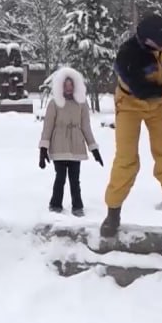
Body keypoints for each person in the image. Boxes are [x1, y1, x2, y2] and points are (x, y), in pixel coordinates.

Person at [100, 13, 162, 236]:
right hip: (130, 103)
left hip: (160, 104)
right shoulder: (128, 55)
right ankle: (112, 214)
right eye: (159, 41)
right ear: (146, 40)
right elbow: (142, 91)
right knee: (126, 159)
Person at [39, 66, 104, 216]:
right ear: (60, 86)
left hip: (76, 145)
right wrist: (43, 150)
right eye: (65, 85)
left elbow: (86, 127)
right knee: (60, 177)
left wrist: (94, 149)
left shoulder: (82, 104)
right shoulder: (54, 104)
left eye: (71, 85)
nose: (68, 88)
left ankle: (77, 205)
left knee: (75, 179)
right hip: (59, 145)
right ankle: (55, 204)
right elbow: (47, 127)